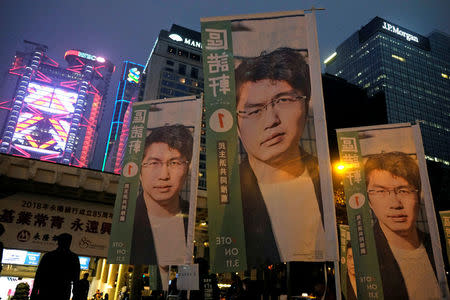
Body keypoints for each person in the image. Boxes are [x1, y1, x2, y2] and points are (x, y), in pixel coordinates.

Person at [235, 47, 325, 265]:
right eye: (254, 110)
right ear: (236, 124)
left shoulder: (329, 178)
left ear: (306, 103)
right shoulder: (228, 194)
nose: (271, 121)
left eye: (284, 100)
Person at [365, 151, 441, 299]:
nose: (395, 204)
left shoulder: (438, 245)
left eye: (404, 191)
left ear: (418, 196)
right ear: (369, 201)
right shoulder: (361, 254)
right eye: (381, 191)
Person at [131, 124, 193, 289]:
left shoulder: (191, 217)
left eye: (174, 163)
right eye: (154, 163)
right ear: (140, 170)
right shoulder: (128, 222)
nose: (164, 176)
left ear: (187, 169)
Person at [30, 233, 80, 300]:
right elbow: (76, 279)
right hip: (63, 291)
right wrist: (76, 295)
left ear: (58, 242)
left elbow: (39, 275)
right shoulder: (74, 257)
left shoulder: (48, 256)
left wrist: (34, 292)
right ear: (70, 243)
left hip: (47, 290)